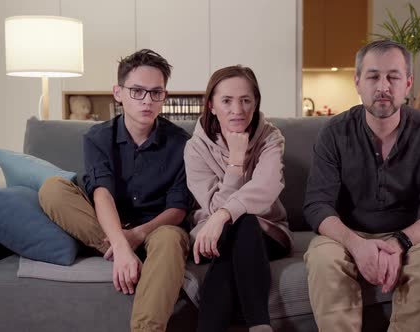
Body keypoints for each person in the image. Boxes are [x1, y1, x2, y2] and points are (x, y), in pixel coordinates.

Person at [303, 40, 420, 332]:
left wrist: (399, 242)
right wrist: (356, 245)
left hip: (411, 234)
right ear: (358, 83)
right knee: (323, 258)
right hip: (346, 233)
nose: (383, 86)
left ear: (408, 84)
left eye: (393, 76)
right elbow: (316, 205)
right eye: (373, 76)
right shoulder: (334, 133)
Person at [39, 49, 191, 332]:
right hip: (106, 226)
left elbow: (178, 208)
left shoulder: (182, 143)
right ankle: (116, 250)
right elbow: (101, 193)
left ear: (164, 97)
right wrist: (121, 245)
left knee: (171, 238)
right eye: (137, 91)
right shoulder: (97, 137)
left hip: (157, 231)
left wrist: (137, 235)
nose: (147, 101)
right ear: (118, 93)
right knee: (53, 189)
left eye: (156, 93)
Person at [184, 65, 292, 332]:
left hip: (266, 232)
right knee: (234, 234)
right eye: (227, 101)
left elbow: (266, 188)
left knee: (243, 222)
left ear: (255, 103)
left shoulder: (271, 138)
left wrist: (223, 215)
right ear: (211, 105)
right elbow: (212, 205)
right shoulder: (195, 148)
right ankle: (260, 325)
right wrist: (235, 161)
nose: (238, 109)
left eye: (246, 100)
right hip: (212, 236)